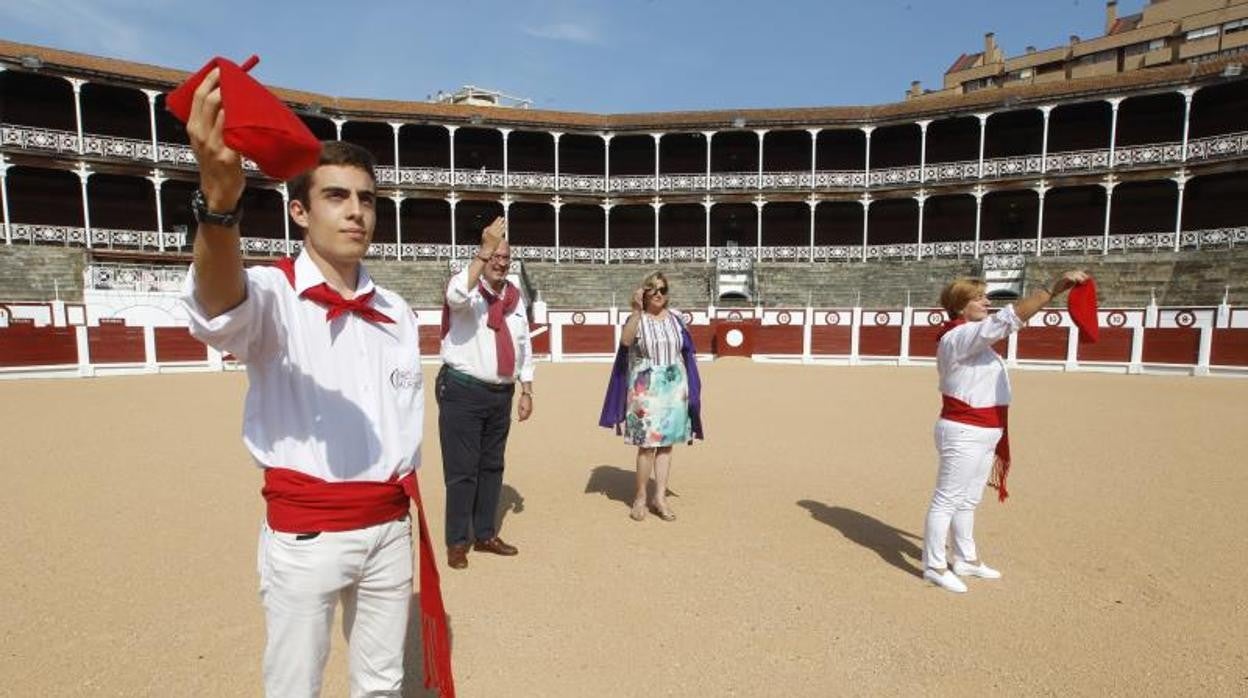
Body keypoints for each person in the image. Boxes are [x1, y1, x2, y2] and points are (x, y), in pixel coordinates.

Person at [179, 69, 451, 696]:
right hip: (305, 532)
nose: (356, 212)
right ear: (299, 210)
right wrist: (219, 208)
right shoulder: (271, 292)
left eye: (367, 199)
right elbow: (219, 308)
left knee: (382, 683)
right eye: (336, 196)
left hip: (389, 525)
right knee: (294, 686)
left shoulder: (399, 313)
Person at [923, 270, 1089, 593]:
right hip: (964, 430)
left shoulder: (970, 337)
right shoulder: (959, 336)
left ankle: (966, 559)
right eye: (979, 298)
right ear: (960, 306)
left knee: (967, 500)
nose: (987, 302)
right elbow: (1007, 320)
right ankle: (933, 565)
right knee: (946, 500)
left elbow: (1000, 323)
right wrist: (1050, 291)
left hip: (983, 430)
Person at [438, 218, 534, 570]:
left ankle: (484, 533)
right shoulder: (467, 289)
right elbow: (454, 296)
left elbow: (522, 344)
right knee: (462, 470)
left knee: (492, 466)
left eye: (505, 256)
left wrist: (527, 388)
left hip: (500, 394)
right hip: (463, 391)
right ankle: (457, 541)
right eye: (495, 255)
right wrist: (484, 250)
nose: (500, 261)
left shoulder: (513, 297)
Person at [599, 272, 704, 522]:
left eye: (663, 289)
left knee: (666, 445)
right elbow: (625, 342)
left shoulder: (677, 317)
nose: (659, 294)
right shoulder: (637, 319)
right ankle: (640, 496)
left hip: (674, 387)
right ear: (643, 293)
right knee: (647, 446)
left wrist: (690, 388)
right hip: (645, 388)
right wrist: (636, 310)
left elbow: (686, 352)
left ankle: (660, 497)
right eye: (653, 289)